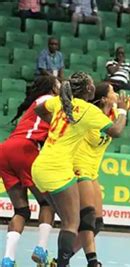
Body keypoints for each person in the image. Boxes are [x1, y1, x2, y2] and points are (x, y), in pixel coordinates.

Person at [70, 64, 130, 266]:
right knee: (87, 220)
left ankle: (66, 257)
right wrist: (122, 112)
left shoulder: (113, 111)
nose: (117, 93)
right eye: (112, 91)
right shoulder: (90, 115)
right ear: (104, 98)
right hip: (79, 169)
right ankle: (90, 261)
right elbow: (116, 130)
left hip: (92, 172)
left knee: (96, 223)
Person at [31, 72, 128, 266]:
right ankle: (61, 264)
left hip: (41, 166)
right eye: (91, 84)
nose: (93, 86)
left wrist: (57, 125)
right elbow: (116, 131)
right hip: (57, 168)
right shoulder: (87, 110)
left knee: (78, 218)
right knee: (72, 223)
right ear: (88, 89)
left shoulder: (61, 102)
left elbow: (39, 109)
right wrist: (124, 111)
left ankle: (62, 258)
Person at [0, 77, 59, 267]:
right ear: (52, 87)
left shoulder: (34, 104)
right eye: (58, 84)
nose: (60, 86)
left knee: (22, 210)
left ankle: (8, 259)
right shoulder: (49, 100)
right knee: (48, 203)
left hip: (5, 150)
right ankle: (41, 250)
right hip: (24, 148)